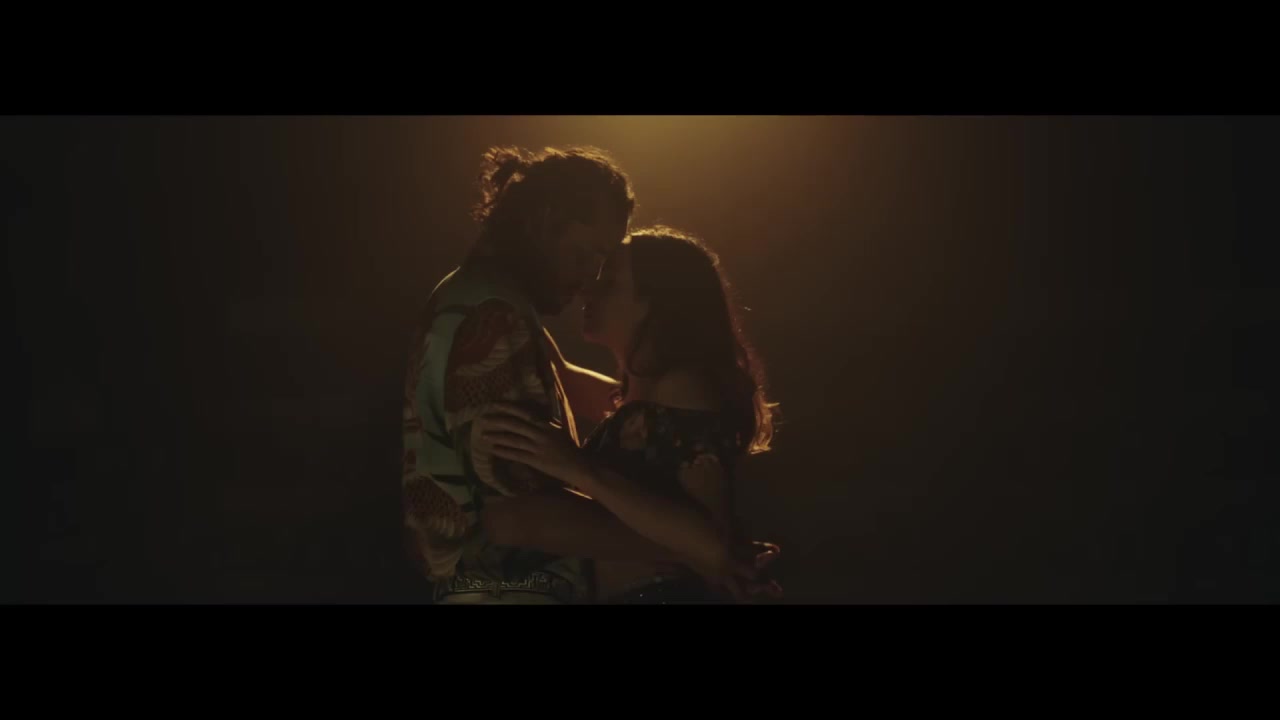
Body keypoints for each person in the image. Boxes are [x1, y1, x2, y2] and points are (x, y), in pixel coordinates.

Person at [402, 146, 776, 604]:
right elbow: (518, 515)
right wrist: (706, 551)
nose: (589, 281)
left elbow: (624, 408)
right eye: (584, 255)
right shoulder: (494, 318)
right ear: (544, 222)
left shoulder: (484, 304)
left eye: (605, 272)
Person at [480, 226, 780, 603]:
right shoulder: (640, 399)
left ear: (655, 303)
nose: (588, 289)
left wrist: (576, 468)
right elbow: (558, 370)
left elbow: (713, 541)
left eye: (608, 282)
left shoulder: (685, 389)